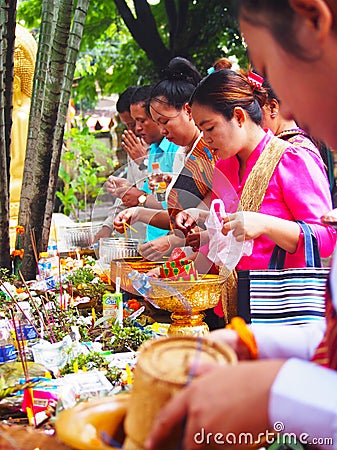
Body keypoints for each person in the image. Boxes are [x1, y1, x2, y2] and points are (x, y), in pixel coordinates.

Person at [145, 1, 337, 449]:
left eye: (268, 65)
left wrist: (276, 393)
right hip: (249, 308)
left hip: (288, 305)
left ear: (315, 21)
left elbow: (325, 241)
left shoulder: (294, 156)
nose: (279, 101)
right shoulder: (225, 167)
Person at [113, 57, 217, 262]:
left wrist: (173, 240)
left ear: (188, 111)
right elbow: (177, 215)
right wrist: (138, 212)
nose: (162, 130)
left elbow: (197, 217)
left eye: (165, 121)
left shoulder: (208, 151)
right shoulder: (182, 154)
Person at [98, 85, 179, 244]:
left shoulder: (176, 147)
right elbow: (155, 195)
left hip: (171, 246)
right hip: (152, 243)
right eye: (131, 123)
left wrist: (140, 197)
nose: (136, 129)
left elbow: (174, 206)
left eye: (141, 121)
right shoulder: (155, 148)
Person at [94, 86, 149, 242]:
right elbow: (128, 193)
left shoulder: (168, 147)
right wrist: (107, 226)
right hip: (141, 239)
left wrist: (143, 162)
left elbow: (166, 198)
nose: (135, 129)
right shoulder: (135, 146)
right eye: (129, 125)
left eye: (138, 122)